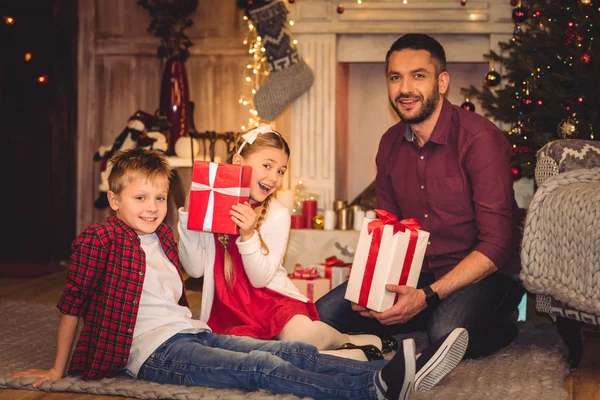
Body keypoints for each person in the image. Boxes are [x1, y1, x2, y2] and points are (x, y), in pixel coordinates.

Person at [9, 147, 417, 400]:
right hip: (153, 355)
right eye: (139, 198)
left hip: (188, 333)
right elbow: (72, 305)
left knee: (286, 351)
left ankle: (383, 371)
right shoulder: (99, 239)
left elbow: (179, 296)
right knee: (261, 369)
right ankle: (368, 389)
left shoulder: (163, 238)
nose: (152, 207)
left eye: (160, 198)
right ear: (114, 199)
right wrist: (58, 369)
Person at [316, 33, 524, 392]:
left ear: (442, 82)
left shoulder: (480, 140)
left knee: (443, 332)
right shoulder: (390, 143)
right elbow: (389, 231)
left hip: (481, 275)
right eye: (395, 77)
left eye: (418, 75)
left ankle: (496, 323)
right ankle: (414, 319)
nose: (405, 88)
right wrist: (372, 287)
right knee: (325, 315)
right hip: (417, 275)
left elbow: (498, 244)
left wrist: (427, 297)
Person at [178, 123, 395, 362]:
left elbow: (261, 279)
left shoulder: (277, 214)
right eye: (267, 165)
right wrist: (187, 217)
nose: (274, 177)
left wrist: (248, 235)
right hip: (229, 309)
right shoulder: (213, 208)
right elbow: (194, 269)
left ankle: (350, 340)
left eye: (281, 171)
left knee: (302, 337)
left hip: (271, 302)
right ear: (238, 163)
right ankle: (352, 354)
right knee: (249, 355)